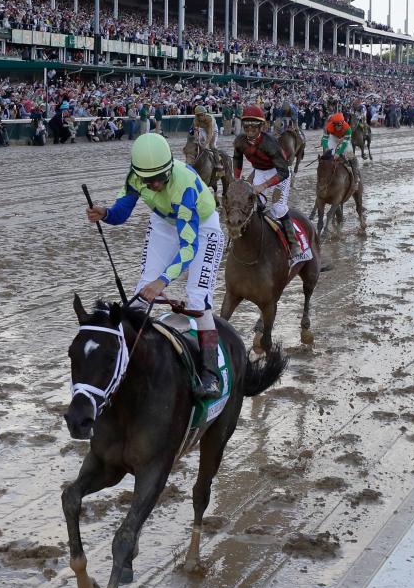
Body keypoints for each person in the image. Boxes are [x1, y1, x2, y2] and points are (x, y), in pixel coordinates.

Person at [86, 133, 225, 399]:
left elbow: (188, 249)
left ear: (170, 167)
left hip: (202, 228)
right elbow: (122, 212)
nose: (156, 184)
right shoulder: (136, 176)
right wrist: (105, 213)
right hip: (164, 223)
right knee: (141, 295)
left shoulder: (184, 187)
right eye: (150, 181)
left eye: (161, 177)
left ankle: (211, 375)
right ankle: (128, 361)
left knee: (197, 299)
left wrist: (163, 281)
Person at [232, 105, 303, 264]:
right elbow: (237, 159)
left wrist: (263, 186)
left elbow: (284, 171)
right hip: (259, 171)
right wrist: (236, 180)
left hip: (279, 172)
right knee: (253, 205)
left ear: (261, 126)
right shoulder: (240, 141)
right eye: (246, 126)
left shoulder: (269, 143)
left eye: (254, 126)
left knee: (277, 208)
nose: (249, 129)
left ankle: (293, 243)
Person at [322, 110, 361, 180]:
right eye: (335, 125)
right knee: (328, 154)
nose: (337, 127)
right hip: (333, 137)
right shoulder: (328, 127)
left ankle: (356, 176)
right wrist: (326, 148)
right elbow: (324, 139)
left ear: (343, 123)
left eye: (339, 125)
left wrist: (338, 153)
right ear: (332, 123)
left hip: (344, 138)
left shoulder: (348, 129)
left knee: (350, 155)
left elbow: (345, 144)